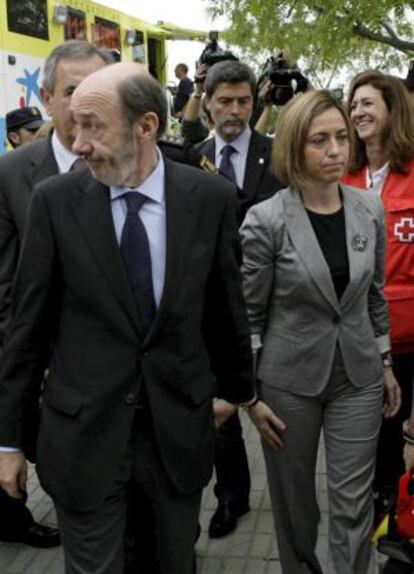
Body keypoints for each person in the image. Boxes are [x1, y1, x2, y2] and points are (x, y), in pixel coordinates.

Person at [0, 62, 280, 574]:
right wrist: (9, 441)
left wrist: (238, 393)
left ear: (146, 126)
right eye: (73, 124)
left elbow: (225, 311)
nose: (77, 143)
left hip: (175, 440)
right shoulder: (55, 202)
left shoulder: (209, 199)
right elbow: (26, 330)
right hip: (83, 440)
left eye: (93, 126)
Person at [240, 89, 401, 573]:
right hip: (288, 383)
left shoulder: (368, 208)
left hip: (358, 374)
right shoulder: (265, 220)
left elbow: (374, 294)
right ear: (293, 147)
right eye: (319, 140)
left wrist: (386, 361)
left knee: (353, 502)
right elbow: (248, 316)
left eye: (340, 137)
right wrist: (249, 396)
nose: (336, 150)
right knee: (295, 504)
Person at [0, 40, 111, 551]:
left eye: (99, 88)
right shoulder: (12, 176)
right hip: (53, 391)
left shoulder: (141, 165)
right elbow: (8, 293)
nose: (87, 101)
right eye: (72, 91)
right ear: (46, 98)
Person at [193, 59, 282, 539]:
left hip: (276, 303)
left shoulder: (278, 153)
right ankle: (231, 497)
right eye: (224, 101)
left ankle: (291, 493)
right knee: (223, 405)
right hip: (215, 305)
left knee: (279, 402)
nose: (234, 110)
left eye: (243, 101)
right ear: (207, 103)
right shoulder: (190, 157)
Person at [343, 71, 414, 574]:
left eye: (368, 102)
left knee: (404, 425)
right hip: (355, 338)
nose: (358, 111)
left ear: (393, 109)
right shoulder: (341, 175)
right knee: (373, 433)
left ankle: (402, 516)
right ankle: (380, 503)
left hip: (409, 338)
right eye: (353, 105)